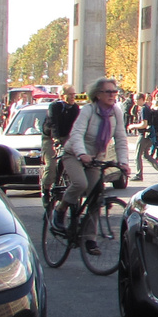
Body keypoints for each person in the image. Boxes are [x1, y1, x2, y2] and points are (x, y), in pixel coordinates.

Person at [57, 77, 131, 256]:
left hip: (96, 158)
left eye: (115, 92)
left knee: (95, 197)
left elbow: (120, 139)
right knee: (80, 184)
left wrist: (124, 163)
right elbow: (76, 134)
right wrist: (82, 154)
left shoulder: (116, 113)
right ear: (97, 95)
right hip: (74, 153)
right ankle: (60, 210)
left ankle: (90, 238)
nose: (113, 95)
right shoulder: (88, 110)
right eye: (108, 92)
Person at [40, 85, 79, 198]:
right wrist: (56, 139)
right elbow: (53, 124)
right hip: (50, 137)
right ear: (62, 96)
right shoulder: (55, 106)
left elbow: (76, 126)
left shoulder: (75, 108)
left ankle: (59, 181)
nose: (73, 97)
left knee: (68, 159)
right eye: (70, 94)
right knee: (51, 165)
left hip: (66, 136)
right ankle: (46, 190)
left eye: (74, 94)